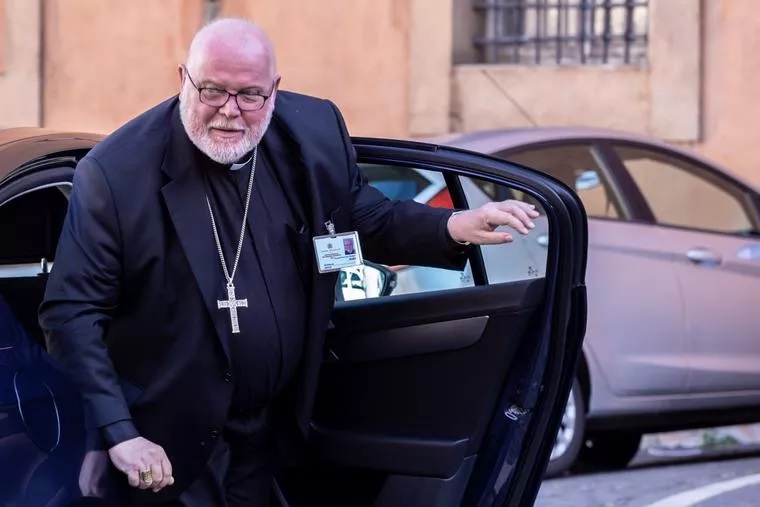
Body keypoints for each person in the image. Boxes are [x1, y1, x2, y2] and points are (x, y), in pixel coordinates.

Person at [38, 17, 539, 507]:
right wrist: (120, 434)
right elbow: (72, 313)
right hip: (169, 444)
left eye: (250, 95)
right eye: (212, 90)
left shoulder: (312, 132)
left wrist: (452, 226)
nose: (230, 111)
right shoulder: (117, 174)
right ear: (183, 79)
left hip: (272, 432)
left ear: (274, 90)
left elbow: (365, 218)